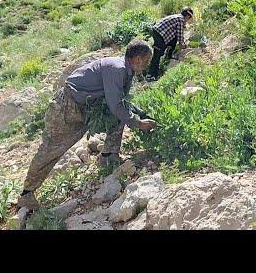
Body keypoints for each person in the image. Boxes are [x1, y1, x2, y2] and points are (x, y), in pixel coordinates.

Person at [17, 39, 157, 210]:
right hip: (67, 107)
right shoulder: (117, 69)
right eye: (147, 60)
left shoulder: (127, 71)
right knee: (52, 147)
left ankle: (108, 157)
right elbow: (116, 105)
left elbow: (122, 102)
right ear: (137, 59)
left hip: (87, 106)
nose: (148, 64)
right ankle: (27, 193)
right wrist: (138, 123)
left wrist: (140, 114)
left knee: (120, 117)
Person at [146, 6, 194, 81]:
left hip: (158, 32)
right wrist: (184, 45)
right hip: (159, 34)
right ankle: (151, 75)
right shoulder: (180, 20)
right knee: (157, 54)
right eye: (188, 19)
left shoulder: (177, 17)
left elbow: (175, 36)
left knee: (172, 41)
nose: (187, 21)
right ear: (187, 16)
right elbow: (180, 36)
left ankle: (169, 56)